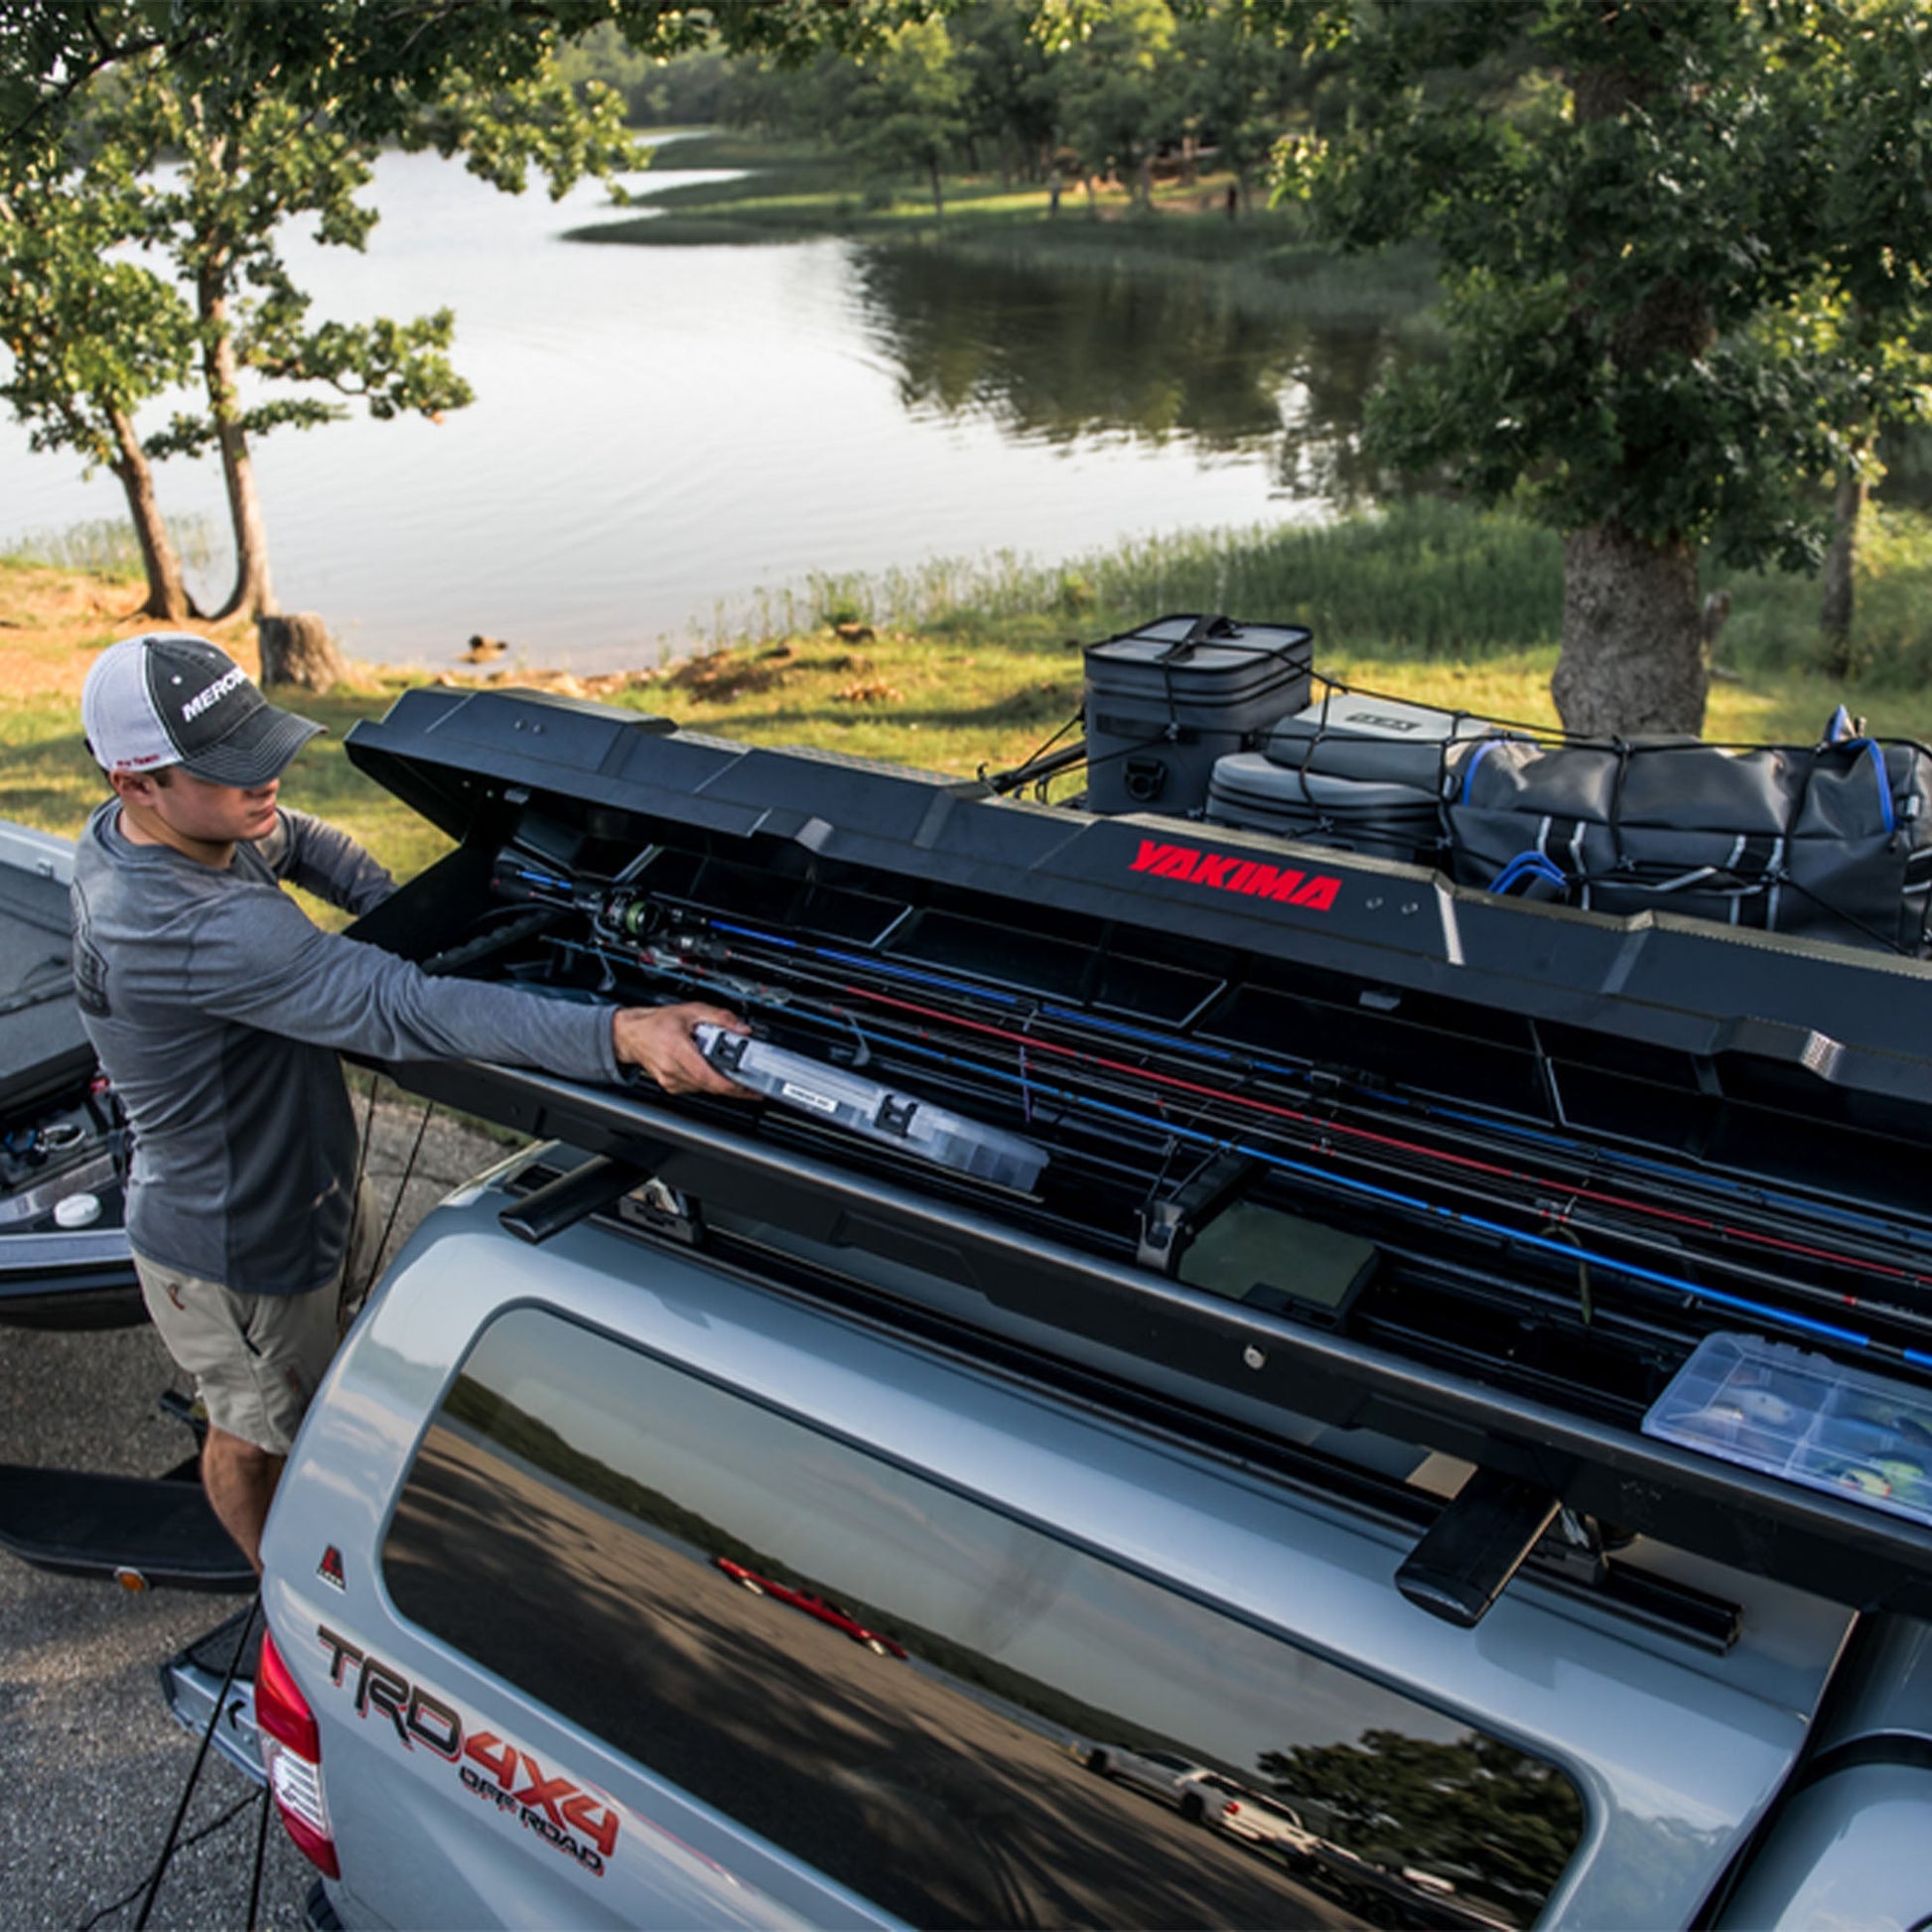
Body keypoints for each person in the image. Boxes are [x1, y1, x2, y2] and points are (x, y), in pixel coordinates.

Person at [70, 631, 746, 1569]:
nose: (266, 780)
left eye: (260, 746)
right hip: (237, 1246)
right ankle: (280, 1582)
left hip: (305, 1186)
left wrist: (400, 908)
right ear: (135, 782)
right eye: (231, 768)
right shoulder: (187, 927)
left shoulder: (159, 830)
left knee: (321, 1377)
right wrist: (621, 1034)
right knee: (255, 1434)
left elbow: (299, 837)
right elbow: (406, 1010)